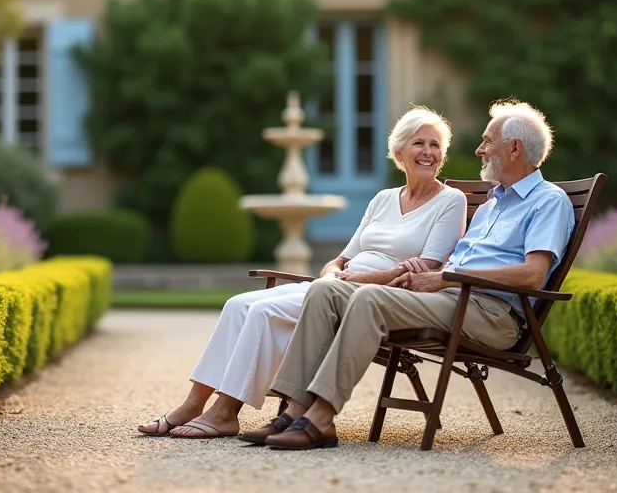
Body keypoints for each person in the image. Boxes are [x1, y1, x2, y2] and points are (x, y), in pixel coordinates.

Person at [257, 99, 575, 450]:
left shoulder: (549, 201)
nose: (479, 149)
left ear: (514, 148)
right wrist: (424, 273)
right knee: (324, 292)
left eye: (488, 141)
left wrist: (446, 279)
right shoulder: (492, 204)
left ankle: (321, 417)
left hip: (491, 314)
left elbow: (533, 275)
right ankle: (295, 409)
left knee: (368, 299)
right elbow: (457, 261)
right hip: (449, 298)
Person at [136, 106, 468, 440]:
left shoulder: (450, 200)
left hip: (375, 297)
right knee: (238, 304)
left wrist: (360, 279)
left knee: (265, 311)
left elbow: (425, 268)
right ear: (399, 152)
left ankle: (225, 412)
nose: (428, 153)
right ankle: (193, 405)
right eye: (419, 144)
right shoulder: (383, 199)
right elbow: (341, 258)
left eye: (435, 145)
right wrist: (331, 274)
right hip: (339, 285)